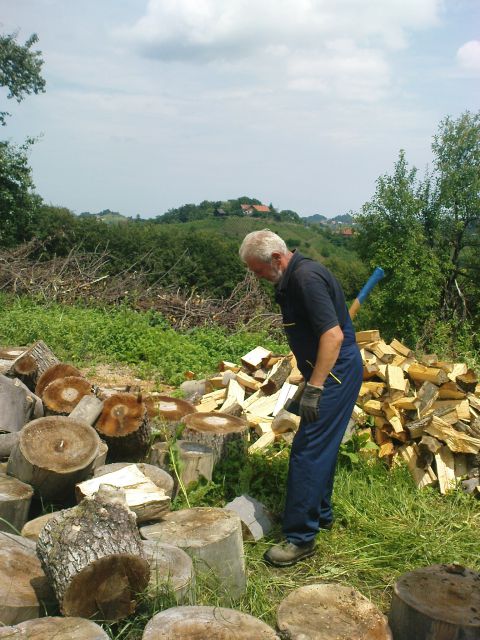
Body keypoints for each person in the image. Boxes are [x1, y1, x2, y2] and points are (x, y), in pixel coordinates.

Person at [239, 229, 363, 567]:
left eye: (257, 269)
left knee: (307, 452)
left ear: (276, 259)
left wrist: (316, 387)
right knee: (321, 446)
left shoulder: (306, 279)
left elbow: (333, 336)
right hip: (327, 371)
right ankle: (320, 513)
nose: (257, 276)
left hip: (335, 373)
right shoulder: (292, 278)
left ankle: (300, 537)